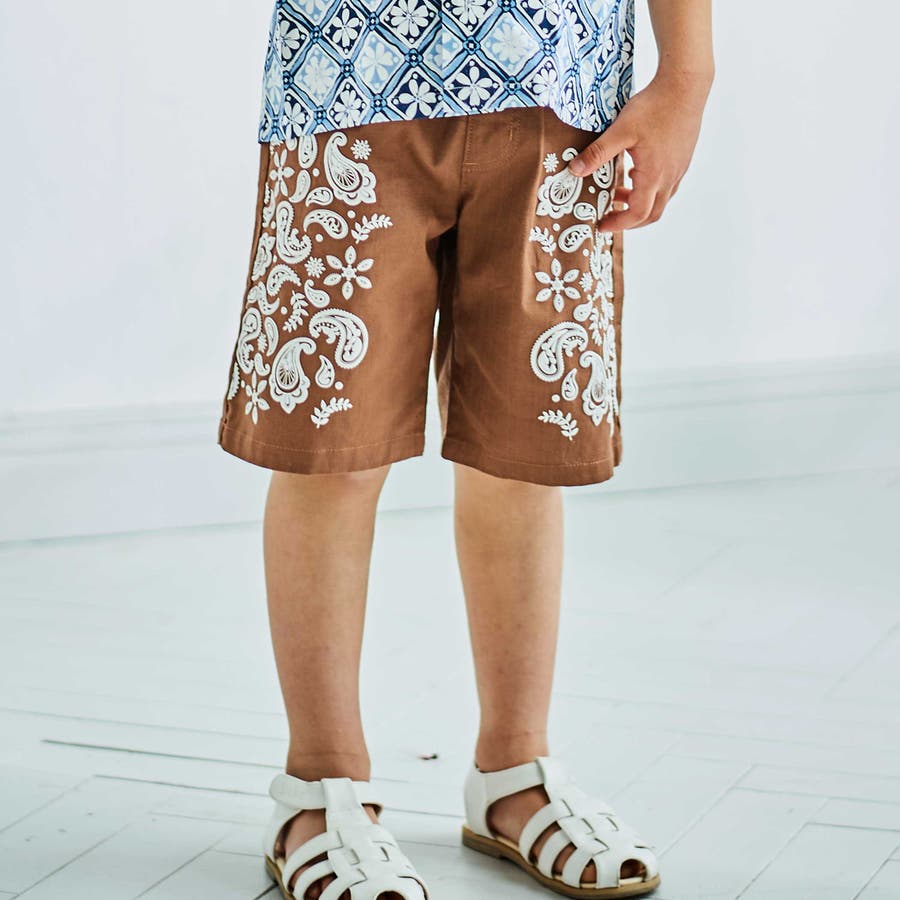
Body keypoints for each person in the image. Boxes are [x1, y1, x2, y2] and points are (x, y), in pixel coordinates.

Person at [218, 0, 713, 896]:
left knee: (522, 452)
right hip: (345, 77)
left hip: (562, 93)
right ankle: (319, 786)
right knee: (333, 451)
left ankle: (513, 776)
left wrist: (687, 76)